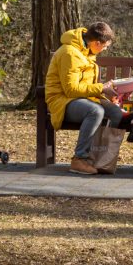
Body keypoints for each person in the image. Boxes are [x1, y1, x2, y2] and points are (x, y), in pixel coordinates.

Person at [44, 21, 122, 175]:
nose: (105, 49)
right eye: (105, 46)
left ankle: (101, 158)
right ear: (97, 43)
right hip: (62, 101)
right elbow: (71, 90)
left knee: (115, 112)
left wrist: (105, 92)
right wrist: (101, 87)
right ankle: (79, 159)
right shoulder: (69, 53)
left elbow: (83, 85)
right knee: (95, 111)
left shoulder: (86, 50)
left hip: (83, 98)